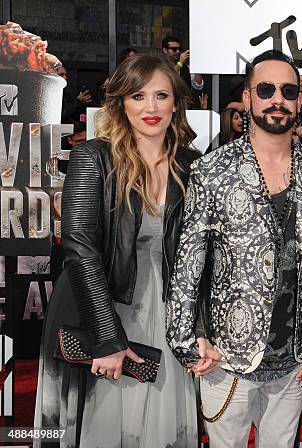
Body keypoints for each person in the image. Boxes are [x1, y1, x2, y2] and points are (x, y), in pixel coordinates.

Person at [165, 49, 302, 448]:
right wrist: (186, 343)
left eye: (288, 90)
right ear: (247, 97)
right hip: (225, 361)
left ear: (300, 101)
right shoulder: (212, 170)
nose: (278, 98)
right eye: (267, 89)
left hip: (295, 361)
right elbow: (189, 264)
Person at [34, 54, 201, 448]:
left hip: (167, 309)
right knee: (107, 420)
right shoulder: (94, 156)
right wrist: (108, 339)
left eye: (161, 95)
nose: (151, 107)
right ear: (121, 102)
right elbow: (79, 249)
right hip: (102, 301)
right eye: (138, 95)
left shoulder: (192, 165)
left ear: (176, 101)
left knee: (159, 418)